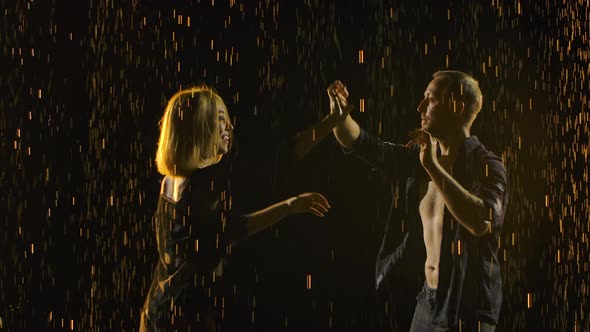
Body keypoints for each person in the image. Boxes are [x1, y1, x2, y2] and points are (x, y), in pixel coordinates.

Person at [323, 71, 508, 331]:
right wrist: (340, 117)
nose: (420, 107)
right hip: (428, 301)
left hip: (466, 308)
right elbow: (365, 145)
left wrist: (432, 166)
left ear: (456, 106)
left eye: (431, 100)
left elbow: (481, 221)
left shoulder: (486, 165)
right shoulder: (420, 158)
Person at [140, 85, 331, 331]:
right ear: (200, 126)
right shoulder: (203, 186)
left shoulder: (171, 181)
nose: (230, 127)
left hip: (157, 310)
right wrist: (289, 206)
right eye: (221, 120)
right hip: (185, 320)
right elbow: (276, 163)